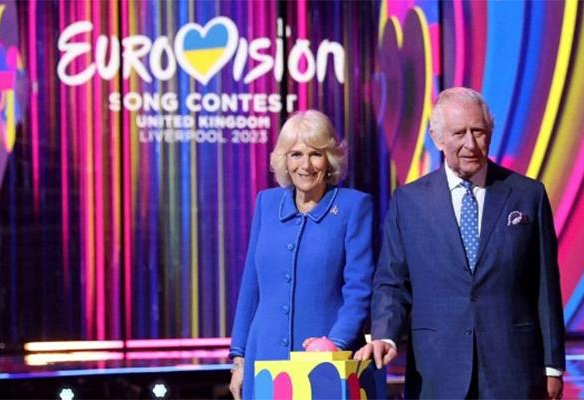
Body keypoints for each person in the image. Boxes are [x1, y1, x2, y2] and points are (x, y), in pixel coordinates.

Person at [354, 87, 566, 399]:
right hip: (436, 371)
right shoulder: (408, 202)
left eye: (478, 131)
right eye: (458, 133)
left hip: (513, 371)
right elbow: (392, 281)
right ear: (437, 138)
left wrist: (552, 366)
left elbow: (545, 286)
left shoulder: (527, 195)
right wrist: (385, 335)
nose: (470, 144)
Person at [229, 110, 375, 399]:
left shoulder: (353, 207)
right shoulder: (266, 203)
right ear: (284, 159)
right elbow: (251, 286)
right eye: (296, 154)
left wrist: (335, 342)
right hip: (265, 358)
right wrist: (239, 358)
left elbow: (359, 289)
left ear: (329, 159)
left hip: (325, 361)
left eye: (315, 154)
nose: (305, 165)